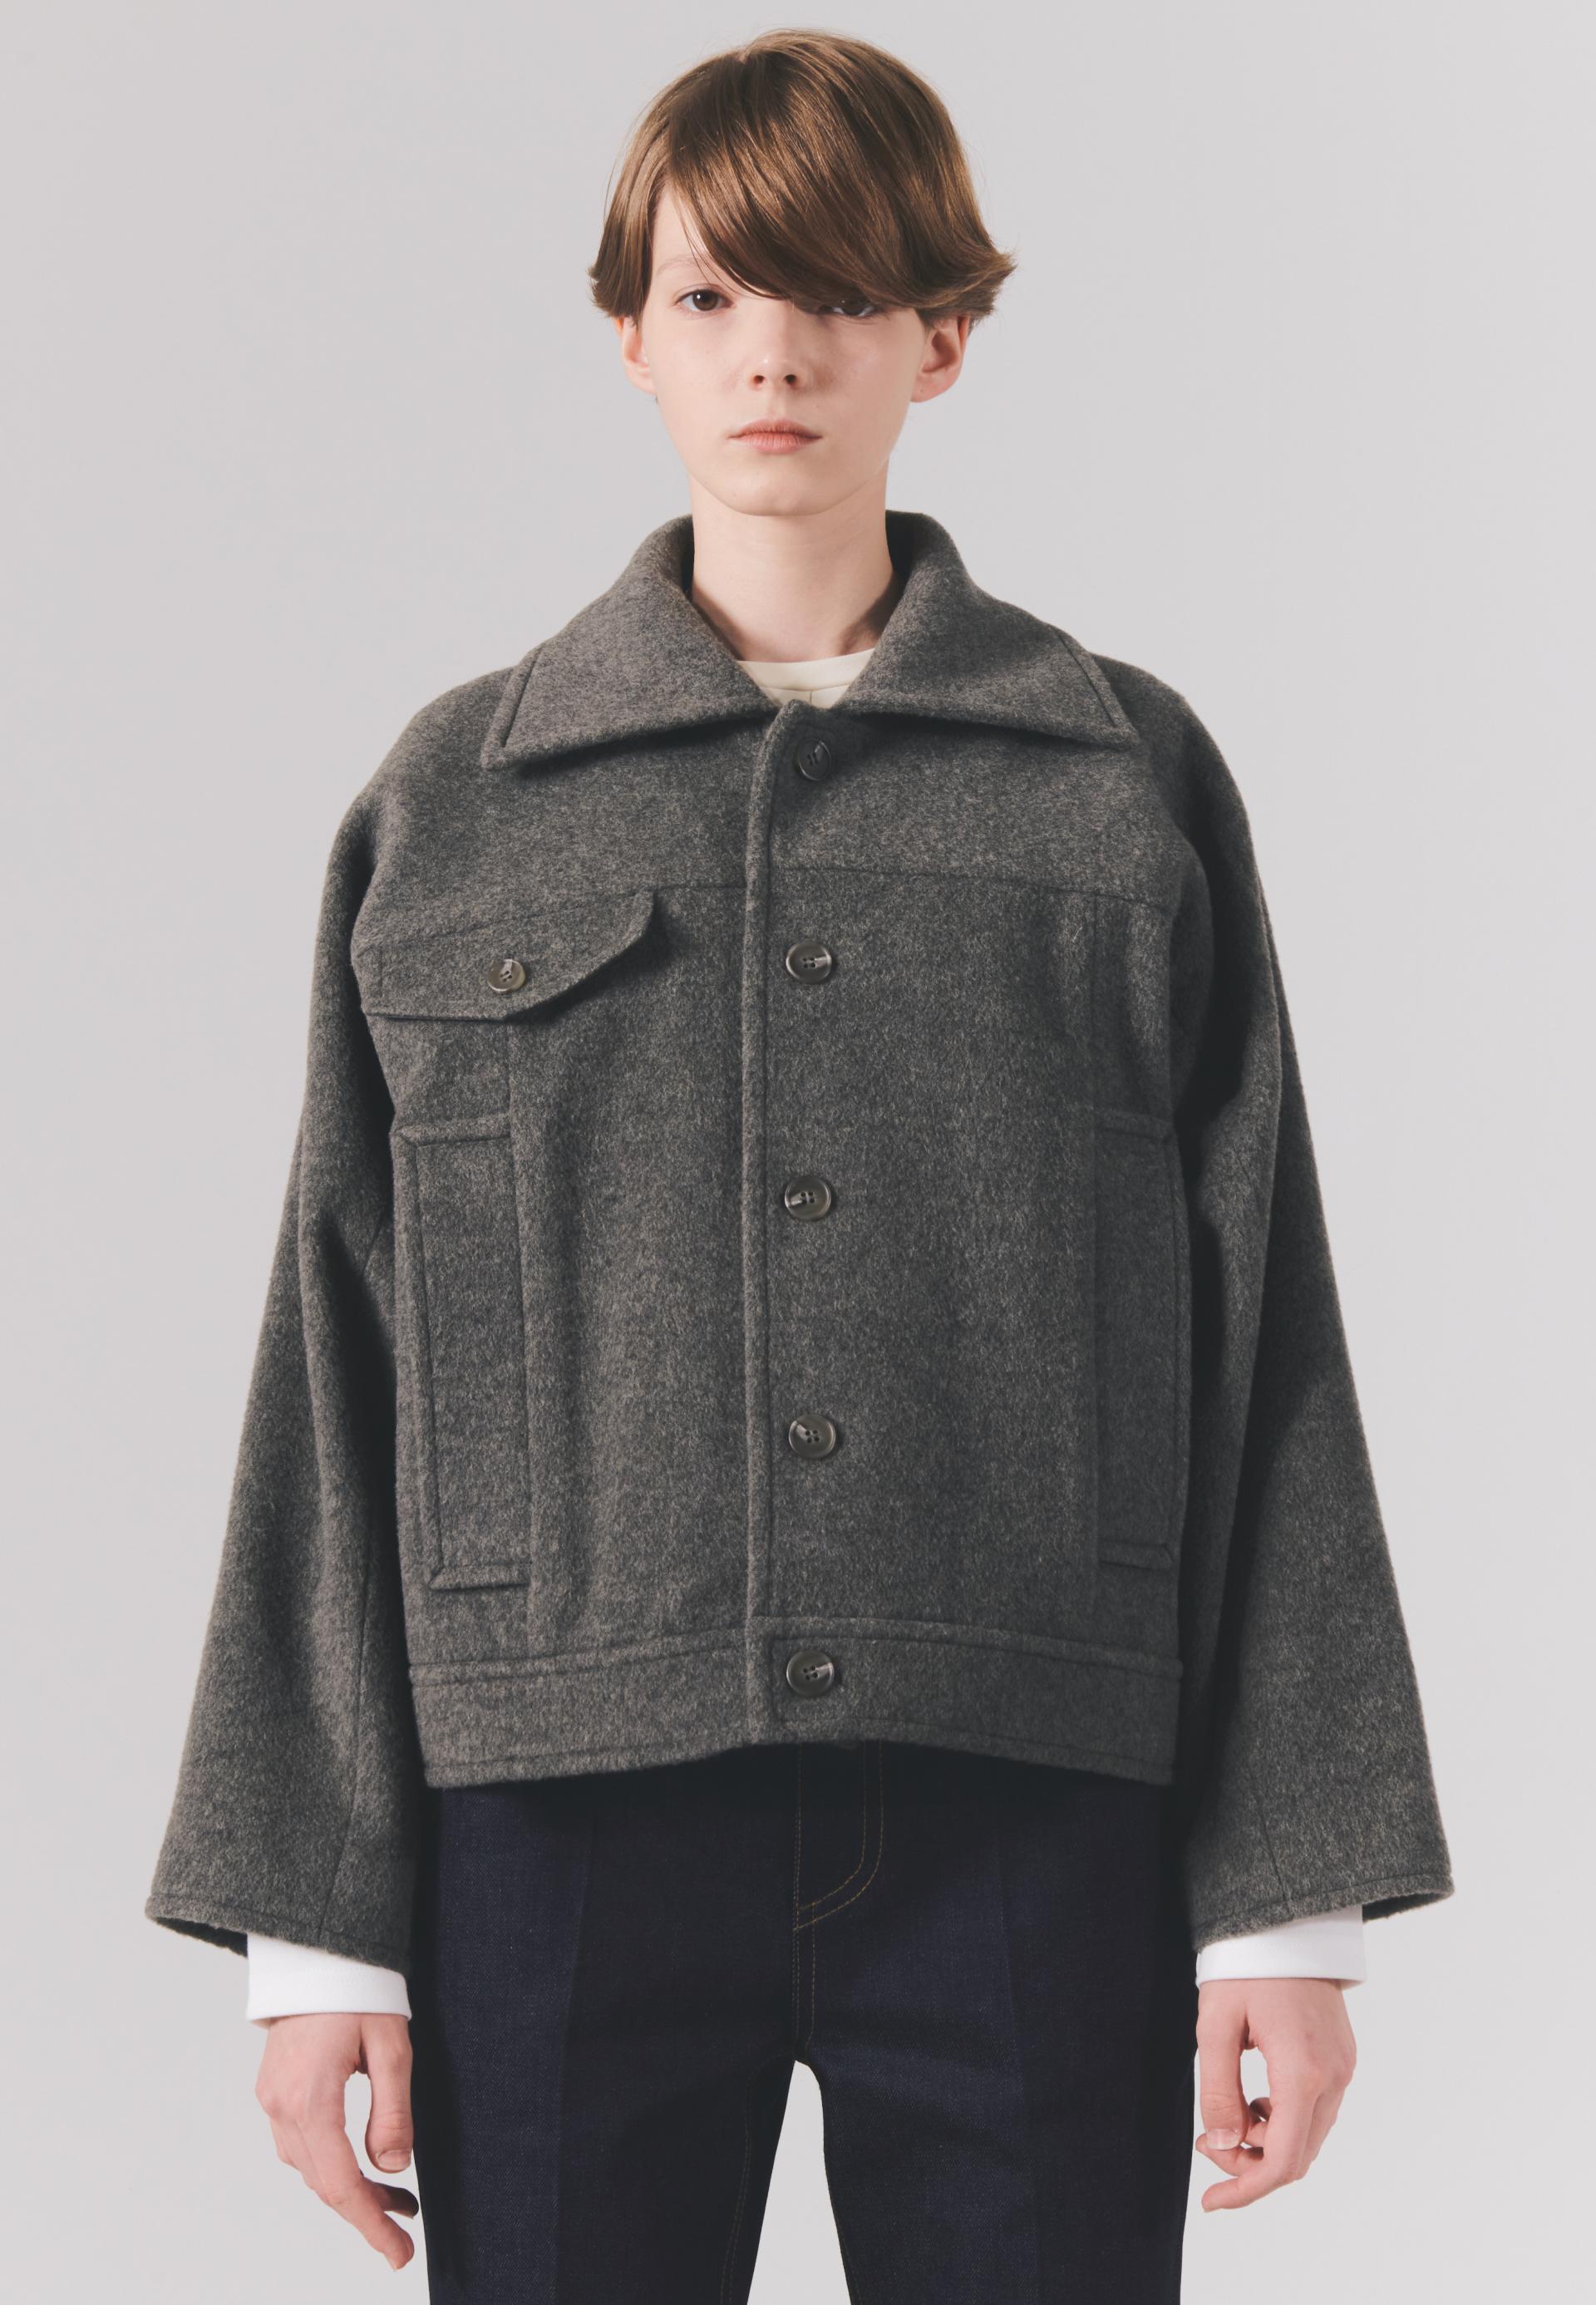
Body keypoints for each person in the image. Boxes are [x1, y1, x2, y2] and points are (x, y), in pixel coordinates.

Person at [145, 29, 1454, 2299]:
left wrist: (1287, 1896)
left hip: (1032, 1798)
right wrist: (316, 1929)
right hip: (556, 1816)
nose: (775, 356)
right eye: (714, 296)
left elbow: (1269, 1318)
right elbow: (339, 1346)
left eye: (842, 296)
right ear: (629, 338)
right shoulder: (460, 799)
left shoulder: (1115, 781)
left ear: (942, 337)